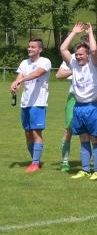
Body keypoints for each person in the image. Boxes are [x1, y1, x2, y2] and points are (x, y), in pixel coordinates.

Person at [60, 23, 97, 180]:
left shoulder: (95, 63)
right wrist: (73, 32)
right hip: (78, 107)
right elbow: (63, 49)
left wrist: (91, 33)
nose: (78, 56)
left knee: (95, 139)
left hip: (93, 107)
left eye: (81, 54)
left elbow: (93, 50)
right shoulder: (73, 63)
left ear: (87, 55)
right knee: (83, 139)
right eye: (77, 54)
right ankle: (85, 169)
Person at [10, 38, 52, 173]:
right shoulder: (24, 63)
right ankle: (35, 160)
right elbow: (19, 77)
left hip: (38, 102)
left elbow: (37, 73)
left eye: (33, 47)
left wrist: (21, 80)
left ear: (40, 49)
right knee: (27, 132)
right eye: (29, 47)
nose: (29, 49)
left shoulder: (45, 61)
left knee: (36, 132)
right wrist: (15, 85)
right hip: (25, 103)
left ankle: (35, 163)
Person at [55, 58, 75, 172]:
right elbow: (58, 75)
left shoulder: (93, 56)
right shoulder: (72, 57)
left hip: (91, 99)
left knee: (93, 131)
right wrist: (74, 70)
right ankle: (65, 162)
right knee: (68, 130)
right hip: (73, 97)